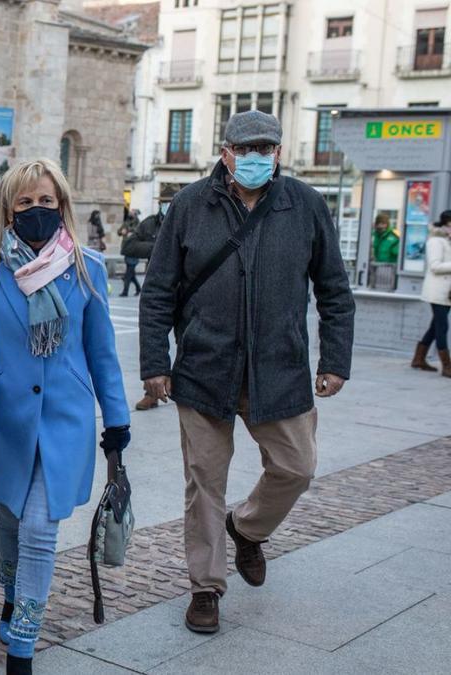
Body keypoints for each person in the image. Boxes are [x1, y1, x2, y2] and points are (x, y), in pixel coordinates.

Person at [139, 110, 355, 635]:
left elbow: (334, 290)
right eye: (246, 148)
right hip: (204, 370)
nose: (256, 157)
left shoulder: (304, 203)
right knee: (204, 484)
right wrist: (154, 364)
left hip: (279, 370)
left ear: (278, 153)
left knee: (297, 467)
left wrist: (334, 360)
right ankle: (206, 588)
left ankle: (248, 527)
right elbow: (159, 290)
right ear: (225, 151)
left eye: (266, 148)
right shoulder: (190, 204)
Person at [0, 159, 130, 675]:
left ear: (63, 206)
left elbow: (102, 354)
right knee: (8, 515)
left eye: (46, 201)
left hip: (64, 422)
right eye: (26, 202)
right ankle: (11, 592)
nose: (36, 210)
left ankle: (23, 644)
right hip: (4, 420)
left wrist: (116, 420)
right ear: (9, 207)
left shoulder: (88, 268)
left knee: (38, 527)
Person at [128, 187, 175, 410]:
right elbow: (128, 245)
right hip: (159, 285)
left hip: (187, 290)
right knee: (153, 338)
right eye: (164, 201)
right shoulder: (149, 223)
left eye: (170, 201)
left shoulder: (190, 218)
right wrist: (158, 248)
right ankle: (152, 392)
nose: (167, 205)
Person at [413, 210, 451, 375]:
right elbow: (435, 266)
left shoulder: (447, 239)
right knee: (442, 326)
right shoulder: (436, 240)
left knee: (435, 325)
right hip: (437, 291)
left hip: (447, 291)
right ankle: (447, 366)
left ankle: (418, 359)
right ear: (446, 223)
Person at [116, 219, 141, 298]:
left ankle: (125, 291)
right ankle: (138, 288)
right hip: (127, 250)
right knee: (131, 274)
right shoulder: (126, 223)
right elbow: (119, 232)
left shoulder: (138, 224)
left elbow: (139, 234)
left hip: (134, 250)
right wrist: (122, 232)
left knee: (128, 274)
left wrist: (129, 231)